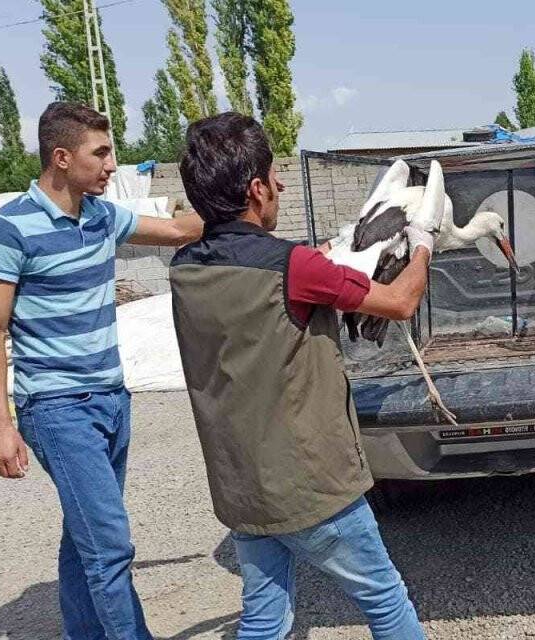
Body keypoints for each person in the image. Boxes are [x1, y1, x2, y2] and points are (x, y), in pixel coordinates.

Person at [169, 112, 428, 640]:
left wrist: (324, 259)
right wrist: (422, 239)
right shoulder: (294, 267)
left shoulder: (185, 268)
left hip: (242, 484)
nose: (283, 185)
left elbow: (262, 278)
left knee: (264, 619)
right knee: (384, 599)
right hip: (311, 483)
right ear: (257, 188)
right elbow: (400, 303)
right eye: (274, 174)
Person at [0, 101, 205, 639]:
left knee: (86, 540)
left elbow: (174, 231)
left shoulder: (101, 216)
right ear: (60, 157)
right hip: (57, 409)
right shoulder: (6, 230)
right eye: (100, 153)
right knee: (110, 545)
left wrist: (239, 204)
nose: (110, 165)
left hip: (111, 400)